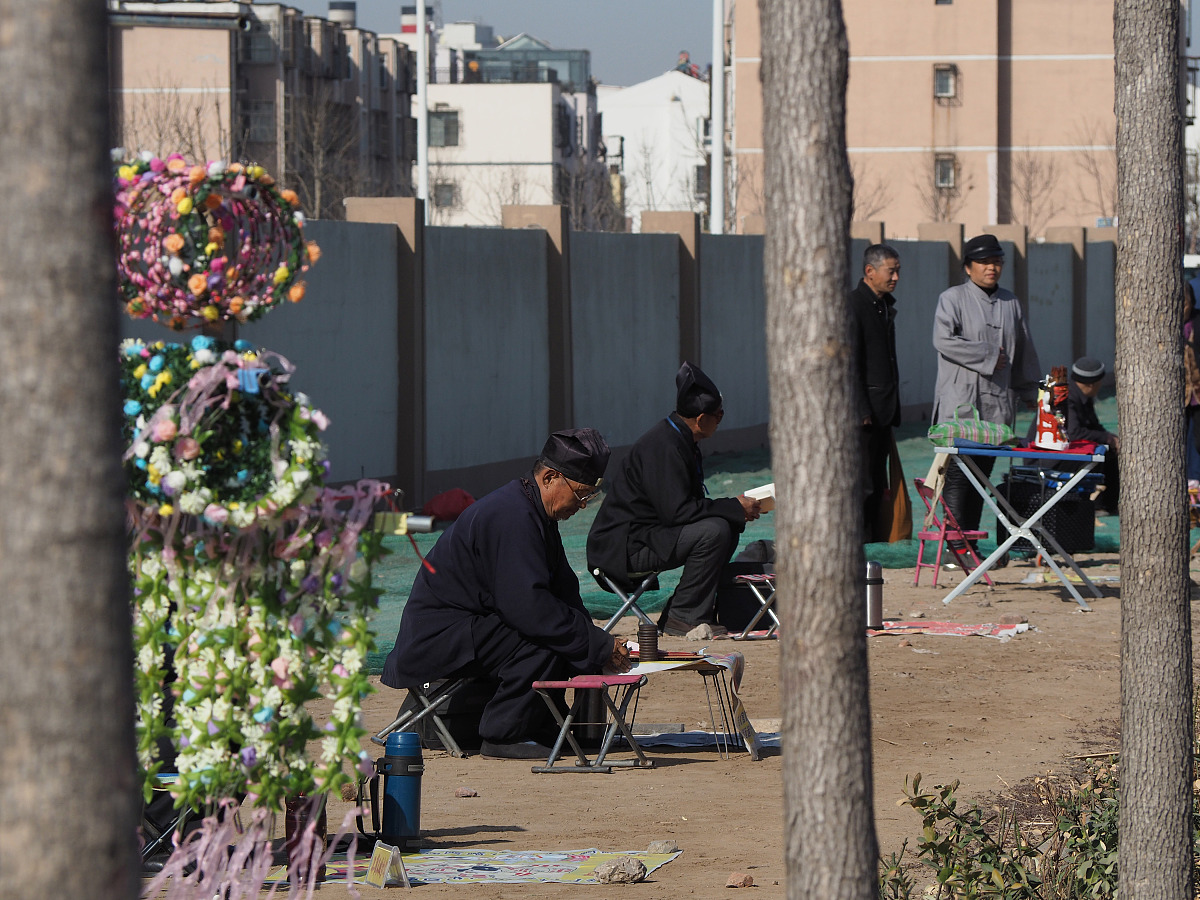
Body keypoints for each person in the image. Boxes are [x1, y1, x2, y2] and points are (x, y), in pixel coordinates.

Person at [380, 428, 632, 760]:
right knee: (543, 632)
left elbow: (564, 591)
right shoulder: (511, 515)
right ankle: (503, 732)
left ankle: (544, 723)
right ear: (549, 478)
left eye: (589, 497)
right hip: (439, 638)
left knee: (568, 629)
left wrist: (598, 642)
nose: (582, 505)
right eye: (580, 494)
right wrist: (594, 643)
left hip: (477, 627)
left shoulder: (536, 513)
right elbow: (527, 608)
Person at [587, 362, 761, 636]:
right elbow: (678, 513)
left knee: (726, 524)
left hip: (649, 536)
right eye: (719, 415)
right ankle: (683, 616)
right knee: (714, 530)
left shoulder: (681, 440)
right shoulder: (664, 446)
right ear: (702, 419)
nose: (721, 418)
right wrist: (733, 506)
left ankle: (687, 610)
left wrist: (733, 509)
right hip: (622, 549)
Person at [932, 233, 1041, 539]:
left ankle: (972, 540)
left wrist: (1030, 390)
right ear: (968, 267)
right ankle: (955, 544)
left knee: (982, 475)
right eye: (984, 262)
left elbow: (1024, 349)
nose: (991, 267)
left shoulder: (1010, 302)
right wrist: (989, 355)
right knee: (957, 472)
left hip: (997, 402)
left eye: (996, 261)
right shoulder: (952, 298)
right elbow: (943, 340)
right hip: (961, 401)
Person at [849, 243, 902, 541]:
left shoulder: (882, 306)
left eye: (897, 271)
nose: (895, 277)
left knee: (878, 483)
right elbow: (850, 363)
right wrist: (861, 409)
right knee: (862, 483)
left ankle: (876, 539)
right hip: (864, 415)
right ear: (870, 271)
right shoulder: (854, 306)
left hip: (883, 410)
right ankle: (860, 542)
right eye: (890, 271)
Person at [1064, 357, 1120, 513]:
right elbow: (1074, 433)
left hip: (1070, 449)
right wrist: (1107, 439)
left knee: (1110, 451)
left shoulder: (1083, 397)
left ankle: (1110, 505)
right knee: (1099, 452)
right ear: (1091, 384)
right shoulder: (1067, 399)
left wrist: (1111, 438)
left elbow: (1094, 426)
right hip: (1054, 457)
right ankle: (1097, 505)